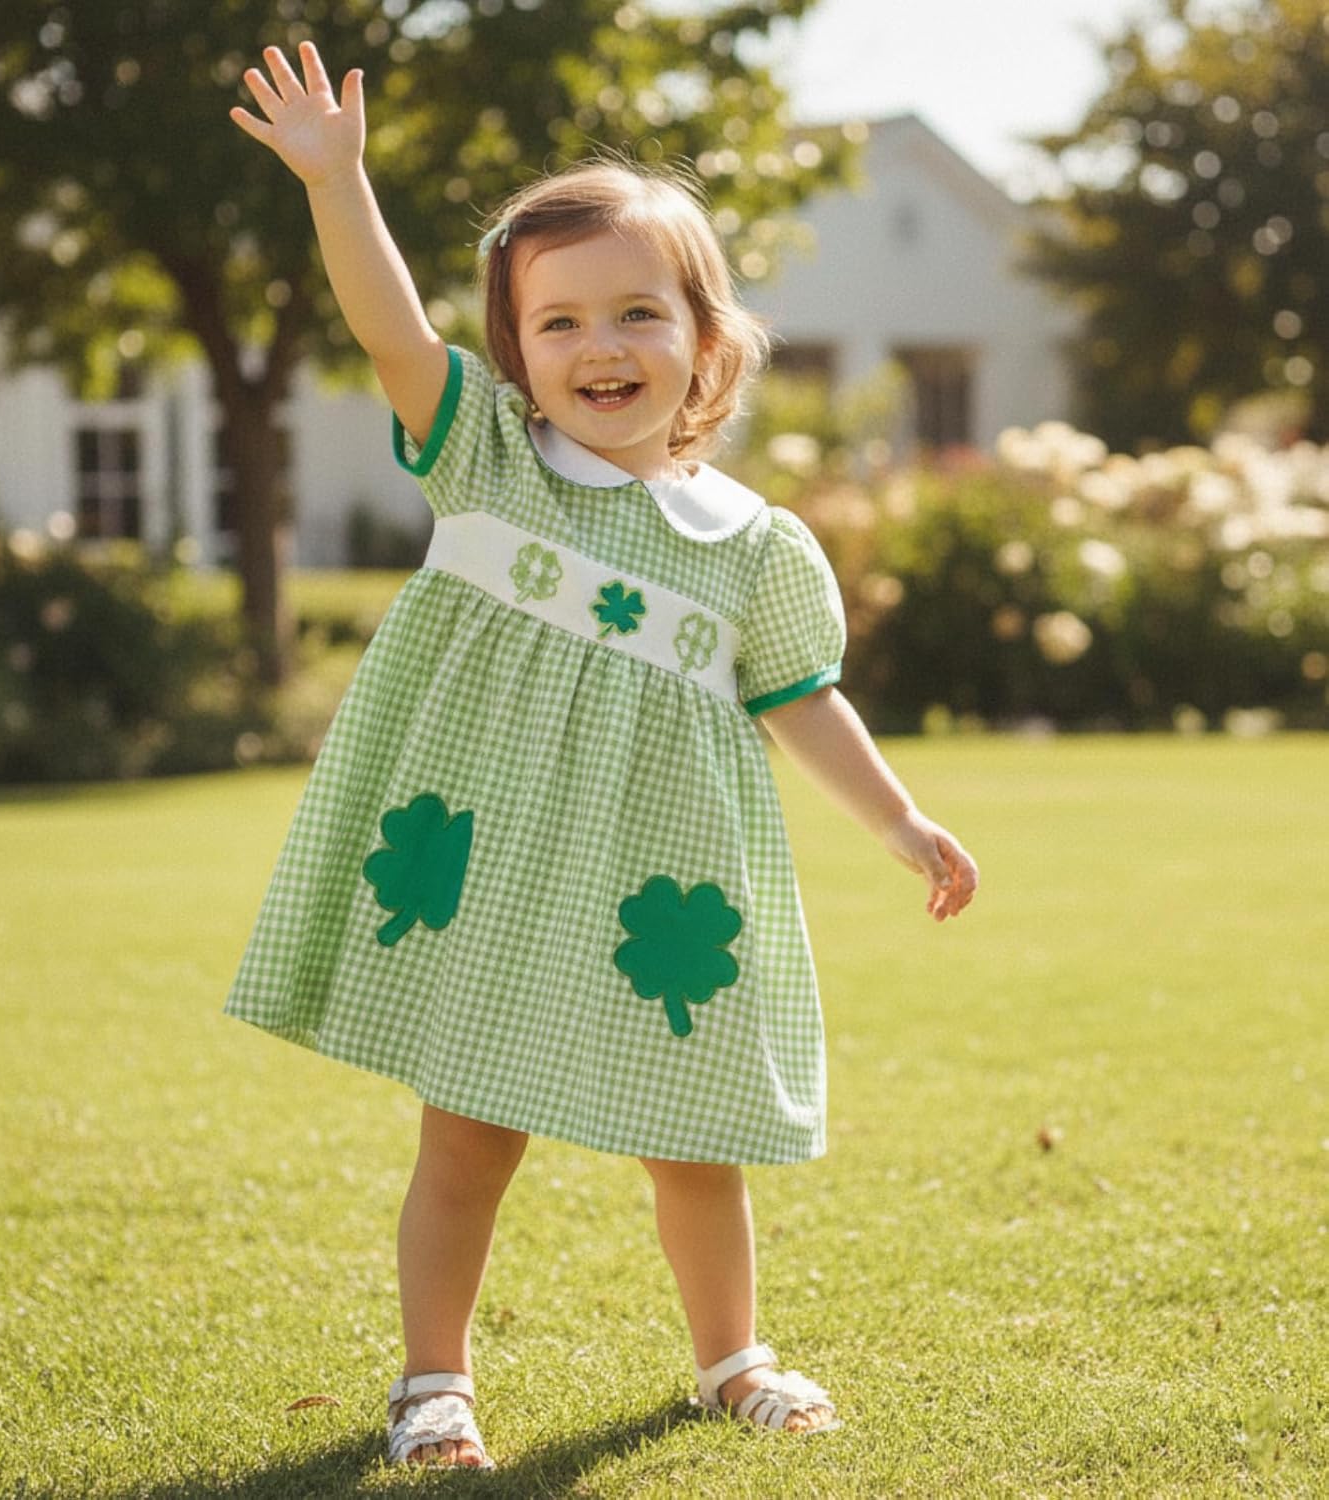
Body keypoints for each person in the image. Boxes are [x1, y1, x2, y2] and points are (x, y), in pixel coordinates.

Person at [225, 42, 979, 1471]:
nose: (602, 349)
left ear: (709, 340)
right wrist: (339, 185)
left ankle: (731, 1358)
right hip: (500, 868)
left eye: (639, 312)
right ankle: (433, 1384)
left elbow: (802, 700)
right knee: (467, 1139)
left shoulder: (758, 547)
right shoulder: (489, 462)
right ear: (517, 353)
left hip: (661, 888)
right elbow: (390, 332)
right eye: (560, 323)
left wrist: (900, 823)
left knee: (697, 1139)